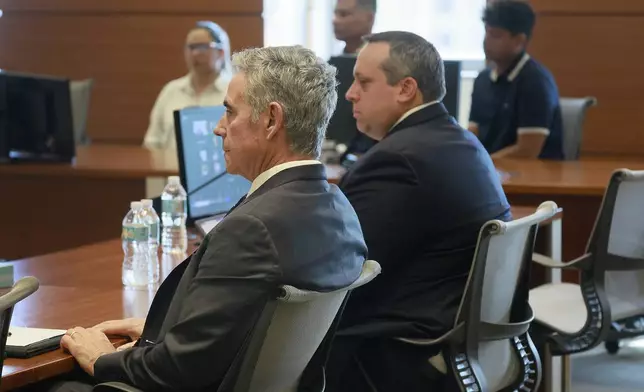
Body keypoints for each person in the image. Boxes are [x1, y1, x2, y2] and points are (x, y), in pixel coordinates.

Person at [48, 46, 368, 392]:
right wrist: (169, 329)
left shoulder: (252, 228)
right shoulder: (340, 210)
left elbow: (176, 371)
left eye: (230, 113)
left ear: (272, 120)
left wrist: (100, 359)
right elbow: (246, 327)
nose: (219, 128)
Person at [326, 31, 511, 391]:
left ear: (405, 89)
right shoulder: (461, 141)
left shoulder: (398, 160)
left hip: (396, 352)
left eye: (363, 82)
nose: (350, 93)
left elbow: (340, 269)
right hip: (458, 338)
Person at [469, 0, 564, 160]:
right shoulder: (482, 80)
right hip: (493, 173)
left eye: (496, 35)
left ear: (519, 41)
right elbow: (473, 134)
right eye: (486, 32)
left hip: (533, 177)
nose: (486, 41)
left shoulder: (535, 82)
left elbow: (527, 151)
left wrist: (483, 166)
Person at [142, 21, 233, 152]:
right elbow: (152, 143)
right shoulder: (171, 91)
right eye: (191, 47)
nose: (195, 53)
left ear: (220, 52)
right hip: (170, 171)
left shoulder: (234, 92)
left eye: (202, 47)